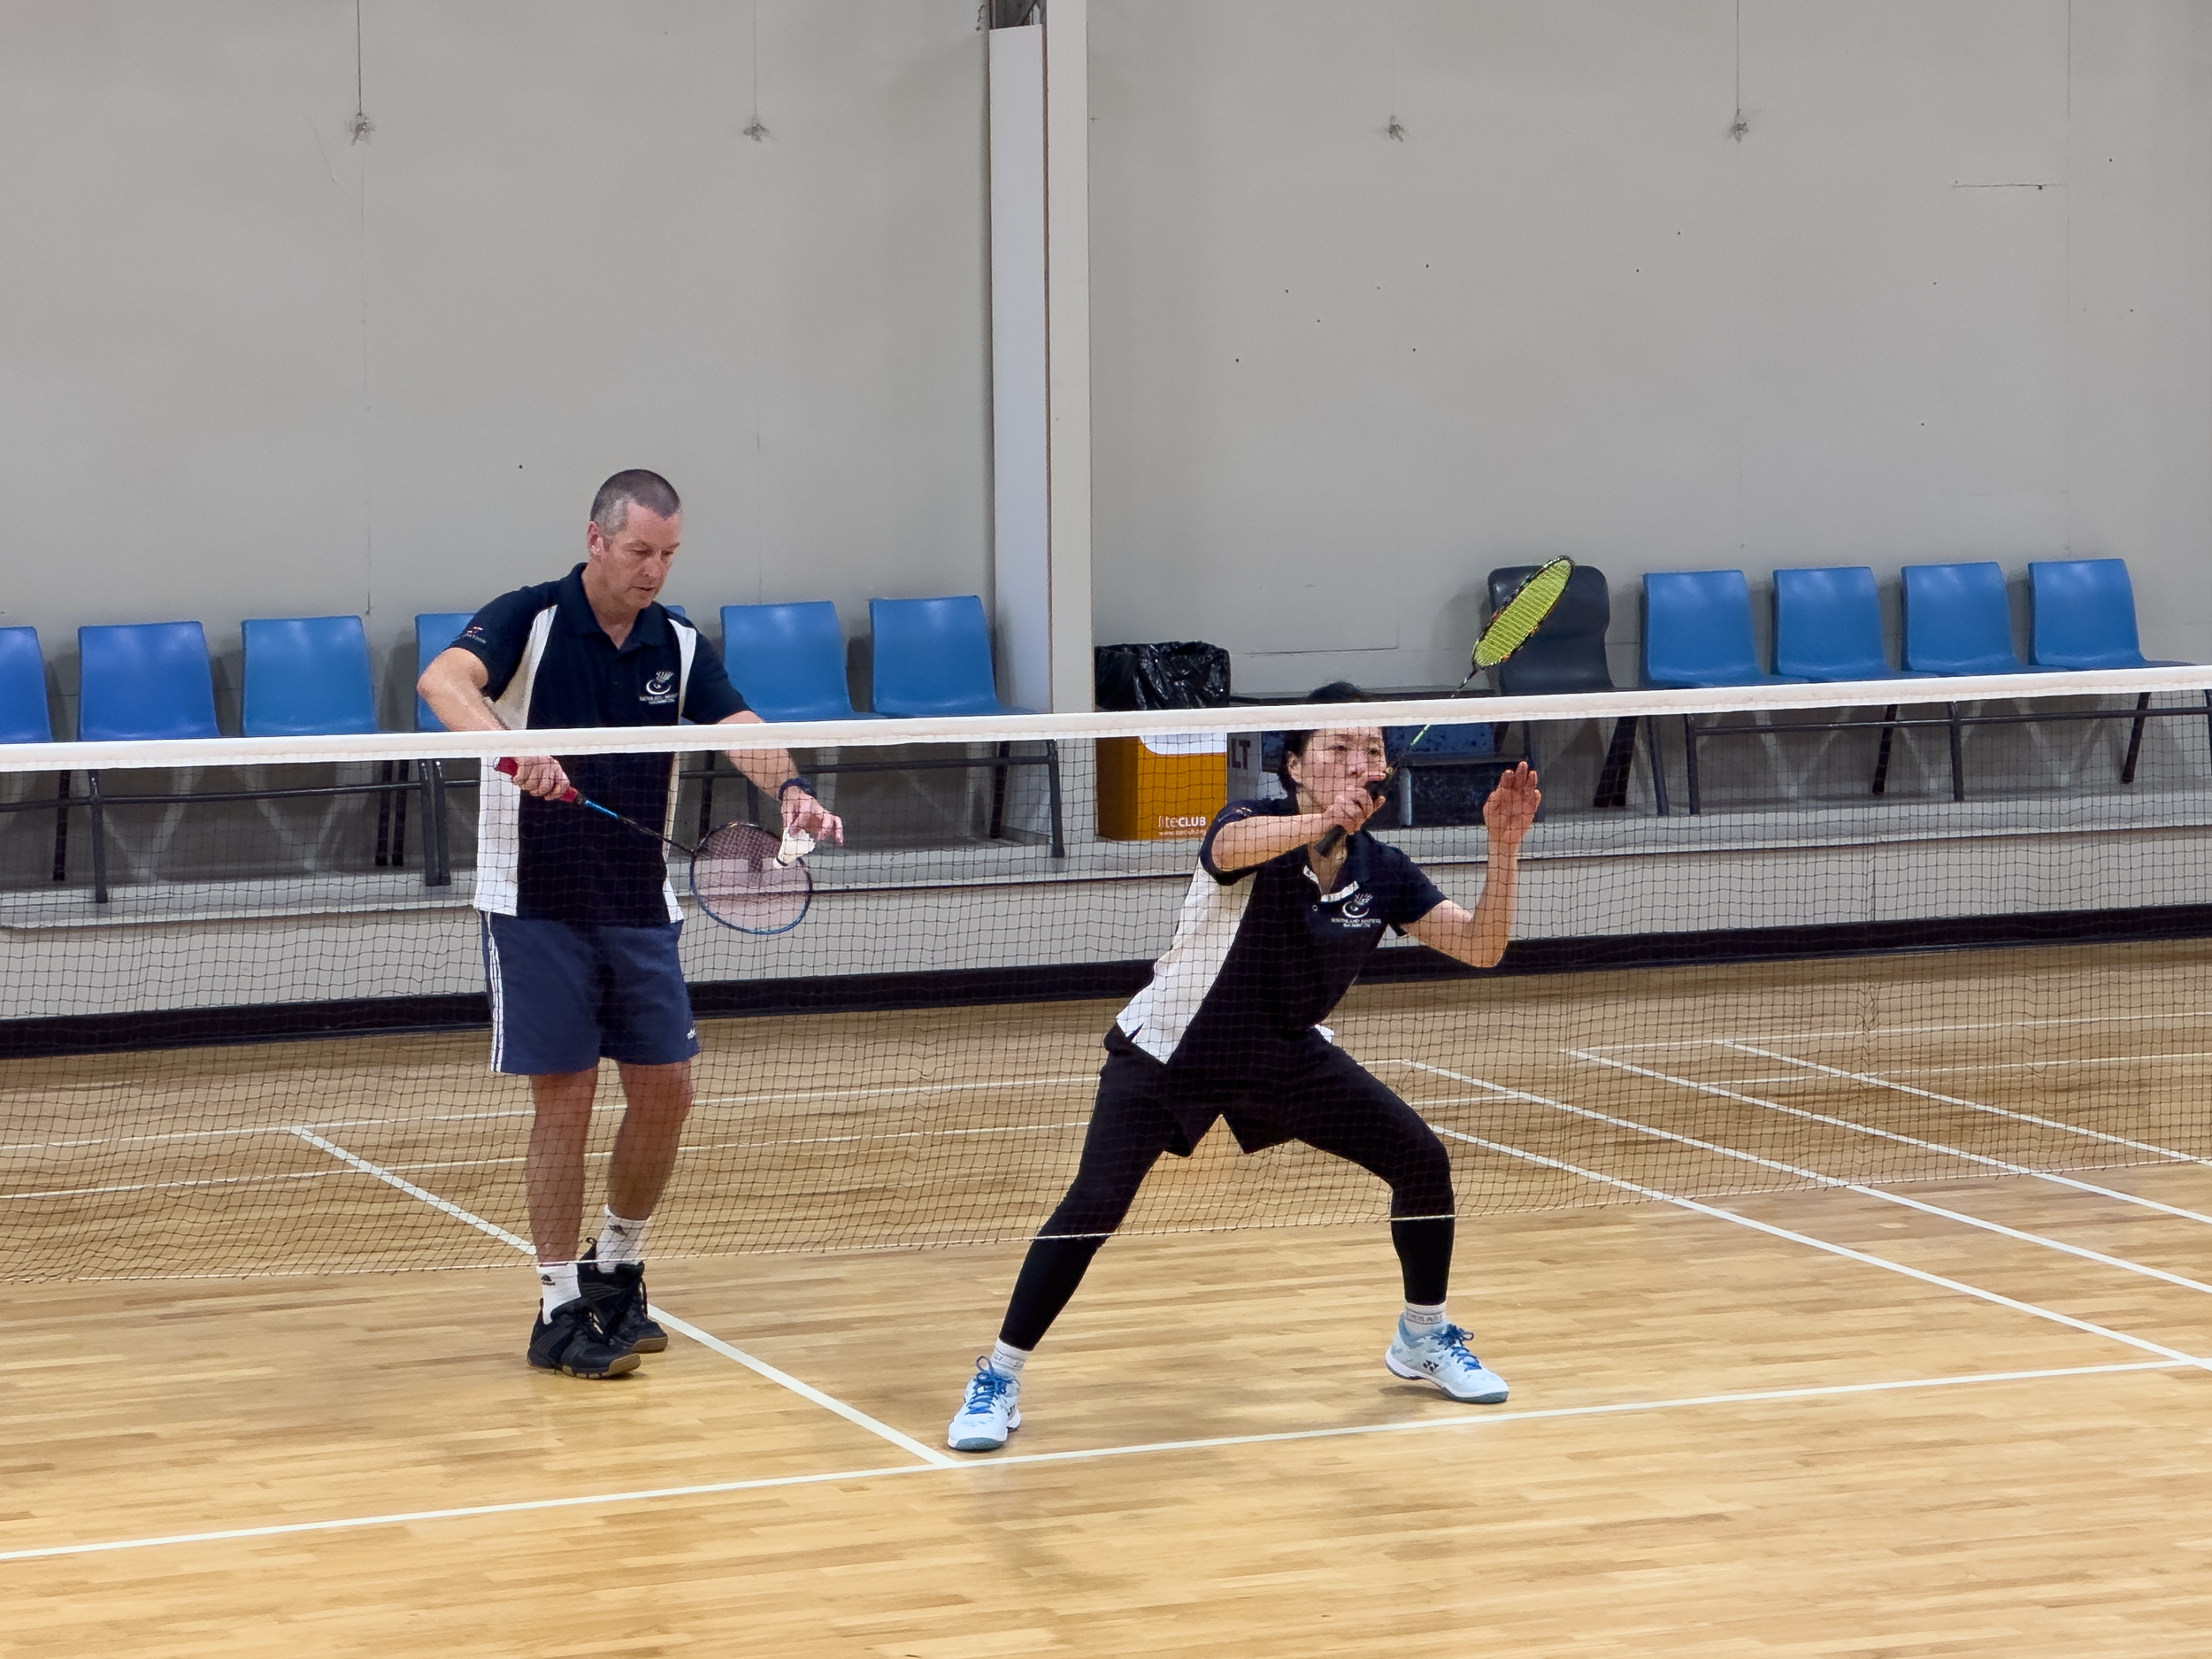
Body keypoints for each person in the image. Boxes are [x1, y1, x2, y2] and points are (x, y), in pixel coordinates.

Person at [944, 687, 1539, 1451]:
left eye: (1371, 751)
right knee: (1092, 1205)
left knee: (1421, 1160)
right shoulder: (1248, 826)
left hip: (1283, 1054)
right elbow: (1227, 853)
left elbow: (1482, 947)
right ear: (1294, 766)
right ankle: (999, 1373)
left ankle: (1422, 1337)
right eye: (1336, 749)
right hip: (1173, 1051)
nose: (1358, 762)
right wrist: (1321, 821)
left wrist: (1504, 849)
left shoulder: (1383, 871)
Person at [419, 468, 842, 1380]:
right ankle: (557, 1303)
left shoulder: (676, 641)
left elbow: (738, 722)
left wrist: (793, 787)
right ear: (597, 539)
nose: (654, 571)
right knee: (565, 1099)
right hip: (535, 901)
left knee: (667, 1089)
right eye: (641, 551)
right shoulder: (530, 618)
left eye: (669, 555)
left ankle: (617, 1265)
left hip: (636, 901)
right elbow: (443, 681)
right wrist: (509, 747)